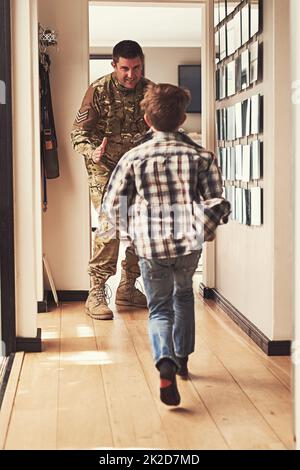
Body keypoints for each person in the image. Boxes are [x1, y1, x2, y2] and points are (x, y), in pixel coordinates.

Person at [101, 83, 230, 406]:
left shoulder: (133, 157)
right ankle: (183, 358)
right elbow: (217, 202)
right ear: (183, 117)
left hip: (150, 245)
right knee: (184, 295)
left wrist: (130, 234)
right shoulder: (201, 156)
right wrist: (201, 229)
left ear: (147, 119)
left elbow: (112, 204)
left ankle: (164, 361)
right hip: (188, 244)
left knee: (159, 308)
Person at [71, 40, 152, 321]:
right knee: (111, 224)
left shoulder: (151, 92)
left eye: (136, 68)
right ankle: (96, 290)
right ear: (114, 66)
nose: (131, 75)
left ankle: (128, 287)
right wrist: (91, 151)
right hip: (104, 166)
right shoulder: (99, 89)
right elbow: (77, 133)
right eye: (125, 69)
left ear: (142, 62)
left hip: (138, 168)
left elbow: (162, 128)